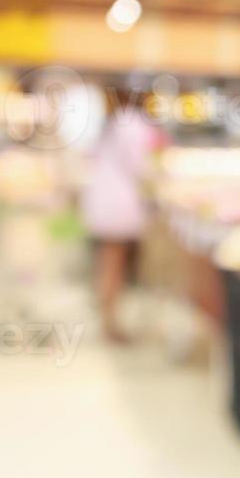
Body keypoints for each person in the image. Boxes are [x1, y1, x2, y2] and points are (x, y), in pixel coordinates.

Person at [81, 89, 159, 343]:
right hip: (119, 205)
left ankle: (108, 318)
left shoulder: (114, 122)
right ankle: (109, 322)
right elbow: (142, 167)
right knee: (113, 265)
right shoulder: (132, 124)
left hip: (105, 201)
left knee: (108, 264)